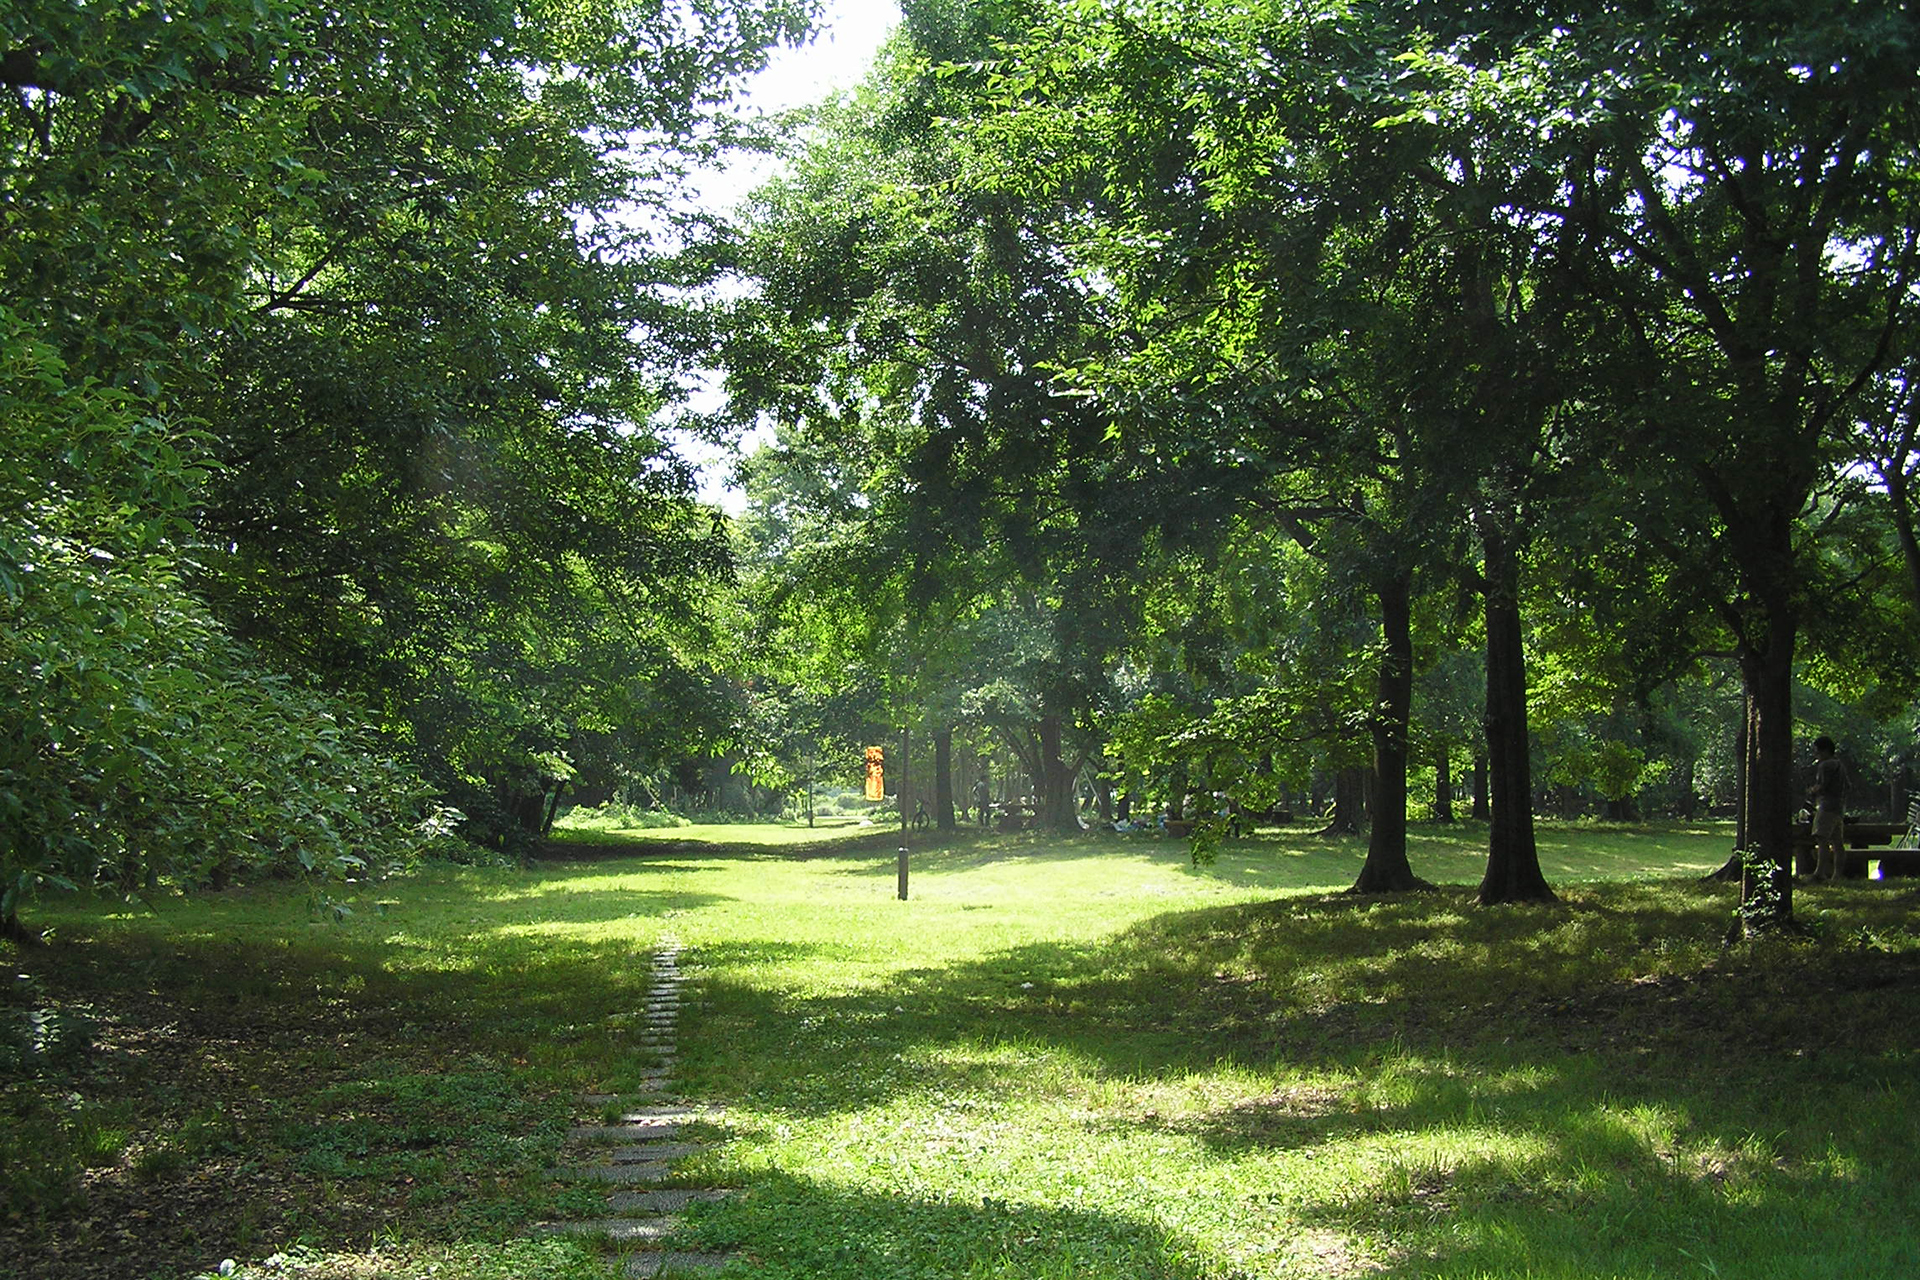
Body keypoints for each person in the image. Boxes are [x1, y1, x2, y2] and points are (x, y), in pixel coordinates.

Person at [1809, 735, 1849, 882]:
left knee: (1822, 840)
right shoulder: (1840, 766)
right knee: (1838, 843)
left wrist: (1813, 791)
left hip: (1826, 807)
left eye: (1817, 752)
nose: (1816, 755)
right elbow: (1848, 786)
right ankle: (1837, 875)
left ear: (1824, 751)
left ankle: (1819, 873)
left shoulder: (1824, 766)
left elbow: (1822, 786)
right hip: (1839, 808)